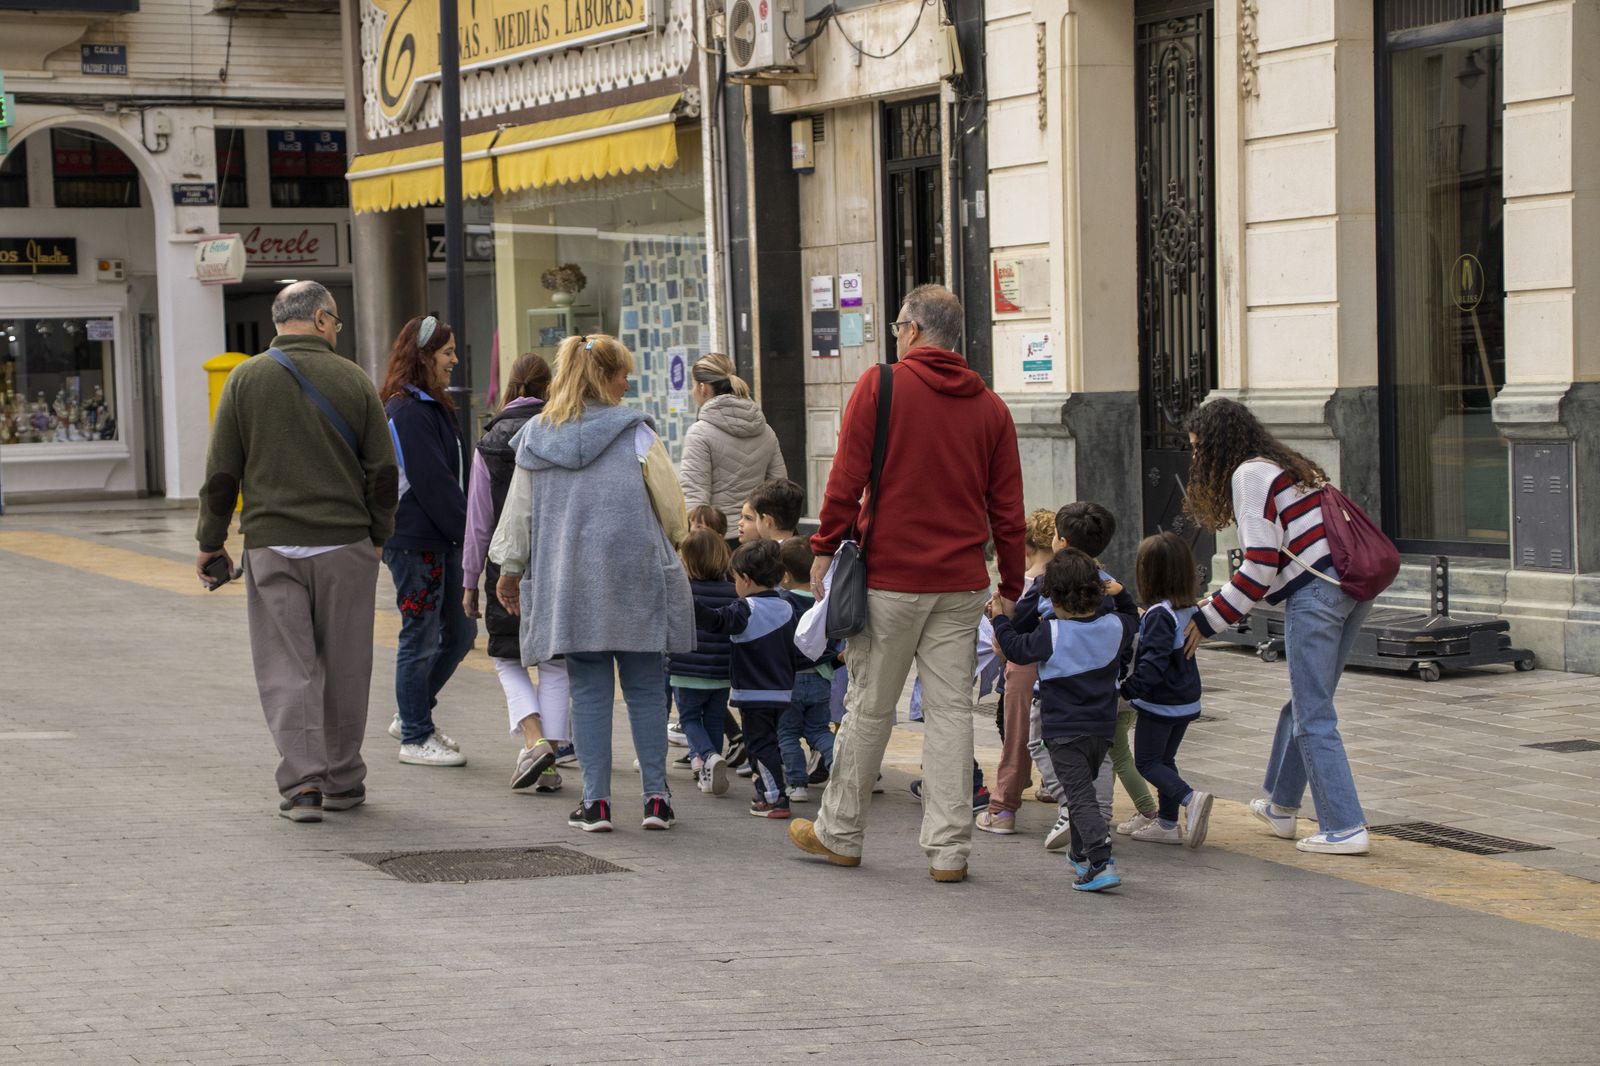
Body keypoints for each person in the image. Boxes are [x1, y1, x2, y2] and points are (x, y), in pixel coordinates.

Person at [789, 283, 1025, 884]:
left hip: (891, 579)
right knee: (950, 713)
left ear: (913, 330)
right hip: (961, 584)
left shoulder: (883, 384)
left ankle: (840, 833)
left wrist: (823, 549)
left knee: (870, 708)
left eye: (897, 327)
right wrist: (1012, 586)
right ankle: (949, 851)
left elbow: (846, 476)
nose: (896, 337)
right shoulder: (992, 408)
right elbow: (1008, 510)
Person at [194, 280, 397, 822]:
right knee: (347, 665)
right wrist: (378, 536)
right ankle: (343, 778)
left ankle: (303, 785)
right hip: (345, 545)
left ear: (280, 320)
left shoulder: (245, 379)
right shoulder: (352, 378)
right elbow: (383, 473)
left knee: (288, 667)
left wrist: (210, 542)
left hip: (272, 546)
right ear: (324, 319)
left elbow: (221, 475)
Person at [490, 334, 693, 834]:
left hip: (570, 581)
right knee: (647, 689)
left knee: (588, 692)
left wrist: (509, 571)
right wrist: (681, 543)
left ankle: (597, 803)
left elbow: (519, 514)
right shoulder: (637, 433)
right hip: (636, 575)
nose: (628, 381)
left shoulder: (537, 436)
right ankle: (656, 800)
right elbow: (671, 507)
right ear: (603, 377)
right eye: (622, 372)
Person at [1183, 397, 1373, 855]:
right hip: (1350, 588)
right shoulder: (1284, 465)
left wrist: (1208, 621)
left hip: (1316, 595)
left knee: (1314, 716)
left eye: (1196, 450)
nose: (1194, 460)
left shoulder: (1248, 475)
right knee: (1308, 702)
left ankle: (1345, 827)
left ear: (1216, 447)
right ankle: (1282, 806)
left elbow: (1260, 565)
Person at [991, 549, 1137, 892]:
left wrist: (999, 617)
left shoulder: (1051, 633)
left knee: (1078, 797)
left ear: (1051, 596)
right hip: (1102, 728)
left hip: (1063, 731)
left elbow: (1014, 647)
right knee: (1082, 788)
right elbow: (1134, 616)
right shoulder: (1114, 626)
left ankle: (1100, 861)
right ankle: (1079, 851)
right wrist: (1123, 592)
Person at [1011, 502, 1149, 851]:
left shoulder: (1049, 583)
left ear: (1060, 540)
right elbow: (1128, 621)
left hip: (1057, 695)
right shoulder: (1108, 586)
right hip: (1104, 691)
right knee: (1100, 758)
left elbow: (1019, 629)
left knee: (1041, 745)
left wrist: (1000, 620)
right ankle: (1095, 814)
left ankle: (1075, 807)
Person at [462, 352, 566, 794]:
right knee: (558, 664)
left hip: (505, 565)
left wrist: (469, 581)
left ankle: (533, 739)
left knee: (507, 657)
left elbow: (478, 521)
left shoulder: (490, 441)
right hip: (557, 562)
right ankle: (552, 756)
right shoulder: (561, 432)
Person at [380, 315, 475, 768]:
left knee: (459, 633)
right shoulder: (408, 410)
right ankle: (415, 735)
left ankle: (411, 714)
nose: (454, 361)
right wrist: (472, 538)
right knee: (419, 637)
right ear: (423, 357)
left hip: (439, 539)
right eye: (448, 352)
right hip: (416, 541)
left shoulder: (428, 405)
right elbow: (434, 483)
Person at [694, 539, 801, 819]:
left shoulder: (745, 609)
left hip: (754, 694)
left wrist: (689, 602)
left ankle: (773, 797)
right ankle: (771, 790)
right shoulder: (788, 606)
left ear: (744, 578)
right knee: (770, 742)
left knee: (759, 745)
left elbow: (716, 621)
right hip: (782, 691)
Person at [1122, 532, 1211, 848]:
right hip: (1184, 700)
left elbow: (1153, 664)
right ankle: (1168, 824)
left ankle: (1191, 798)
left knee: (1146, 762)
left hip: (1161, 703)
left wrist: (1127, 690)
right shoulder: (1187, 608)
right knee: (1165, 759)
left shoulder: (1160, 614)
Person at [978, 509, 1058, 834]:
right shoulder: (1081, 577)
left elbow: (1003, 644)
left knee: (1017, 736)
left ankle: (1003, 809)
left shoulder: (1020, 586)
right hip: (1069, 666)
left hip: (1024, 668)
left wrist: (998, 617)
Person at [680, 352, 786, 541]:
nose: (692, 391)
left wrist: (695, 546)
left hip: (718, 541)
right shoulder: (766, 431)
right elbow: (779, 488)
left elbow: (695, 497)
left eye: (693, 385)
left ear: (703, 388)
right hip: (759, 538)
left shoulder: (699, 434)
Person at [667, 528, 736, 795]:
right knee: (715, 719)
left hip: (685, 669)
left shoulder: (682, 593)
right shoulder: (734, 592)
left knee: (690, 718)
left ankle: (707, 755)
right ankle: (708, 769)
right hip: (721, 671)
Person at [776, 536, 836, 802]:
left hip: (790, 680)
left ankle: (797, 785)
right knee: (819, 731)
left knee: (787, 733)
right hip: (821, 678)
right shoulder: (823, 600)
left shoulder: (782, 602)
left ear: (785, 576)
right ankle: (841, 769)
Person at [738, 477, 804, 544]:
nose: (739, 523)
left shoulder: (769, 554)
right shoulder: (805, 548)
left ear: (767, 521)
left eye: (757, 516)